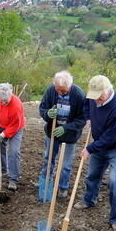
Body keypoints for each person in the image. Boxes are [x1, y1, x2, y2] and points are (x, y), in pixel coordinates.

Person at [74, 75, 116, 231]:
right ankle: (89, 200)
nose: (96, 100)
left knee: (114, 182)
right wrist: (88, 118)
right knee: (92, 175)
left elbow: (111, 138)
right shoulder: (93, 98)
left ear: (108, 90)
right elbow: (87, 105)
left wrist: (90, 148)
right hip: (100, 142)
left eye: (99, 96)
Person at [37, 70, 87, 198]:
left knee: (65, 165)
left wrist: (66, 128)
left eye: (63, 91)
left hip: (69, 136)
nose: (60, 92)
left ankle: (63, 186)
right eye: (58, 90)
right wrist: (47, 114)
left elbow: (82, 119)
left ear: (69, 86)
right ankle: (46, 181)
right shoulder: (50, 91)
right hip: (52, 132)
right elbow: (42, 108)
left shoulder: (79, 95)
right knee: (48, 159)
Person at [0, 83, 25, 191]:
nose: (3, 103)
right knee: (0, 146)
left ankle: (13, 179)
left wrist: (3, 134)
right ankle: (3, 171)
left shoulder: (16, 106)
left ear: (11, 95)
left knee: (13, 151)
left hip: (15, 127)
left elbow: (15, 125)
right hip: (1, 124)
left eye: (6, 101)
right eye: (1, 101)